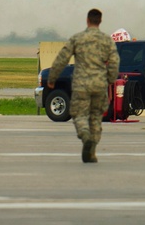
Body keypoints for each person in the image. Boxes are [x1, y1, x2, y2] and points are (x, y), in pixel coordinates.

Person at [47, 9, 120, 163]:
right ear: (100, 21)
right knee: (96, 118)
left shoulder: (77, 38)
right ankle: (91, 151)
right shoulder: (107, 41)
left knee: (80, 115)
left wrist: (52, 78)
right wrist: (111, 81)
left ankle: (85, 137)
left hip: (81, 85)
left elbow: (62, 58)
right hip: (99, 85)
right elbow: (114, 62)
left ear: (87, 20)